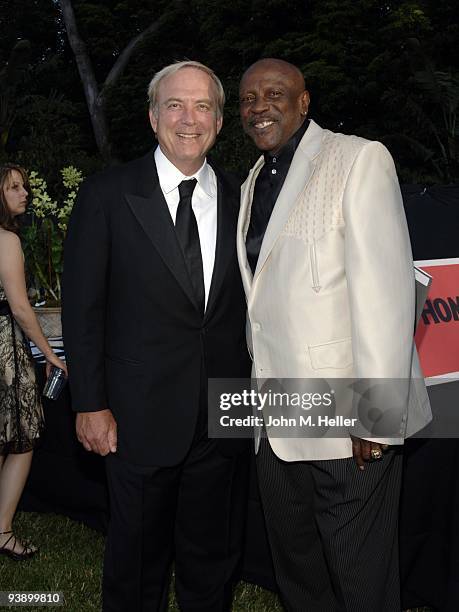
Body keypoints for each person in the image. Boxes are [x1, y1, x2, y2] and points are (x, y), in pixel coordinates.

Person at [236, 58, 432, 612]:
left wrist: (377, 413)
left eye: (274, 93)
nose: (259, 107)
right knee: (299, 572)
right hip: (275, 418)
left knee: (359, 576)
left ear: (304, 102)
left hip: (349, 413)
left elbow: (386, 294)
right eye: (248, 99)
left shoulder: (358, 159)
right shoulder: (253, 180)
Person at [62, 61, 250, 611]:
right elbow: (83, 309)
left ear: (219, 120)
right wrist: (90, 403)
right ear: (152, 117)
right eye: (175, 105)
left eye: (202, 107)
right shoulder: (107, 196)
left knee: (213, 561)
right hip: (137, 417)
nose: (188, 119)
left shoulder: (245, 200)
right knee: (136, 565)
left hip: (226, 415)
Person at [0, 163, 67, 561]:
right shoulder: (7, 241)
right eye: (13, 188)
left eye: (24, 186)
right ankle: (3, 530)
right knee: (21, 440)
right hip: (5, 351)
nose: (24, 193)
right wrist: (51, 354)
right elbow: (23, 310)